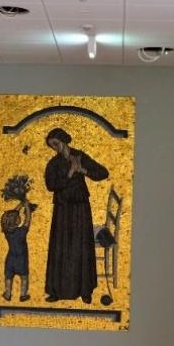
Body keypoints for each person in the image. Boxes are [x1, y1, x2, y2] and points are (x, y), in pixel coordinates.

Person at [44, 128, 108, 304]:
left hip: (80, 208)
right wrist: (70, 173)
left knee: (81, 246)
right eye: (52, 146)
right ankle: (56, 290)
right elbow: (50, 185)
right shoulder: (53, 163)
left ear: (63, 140)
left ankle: (85, 290)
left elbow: (103, 173)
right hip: (63, 210)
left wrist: (83, 170)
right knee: (61, 247)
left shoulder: (80, 156)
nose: (55, 148)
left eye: (56, 143)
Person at [0, 199, 32, 302]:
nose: (19, 217)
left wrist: (20, 204)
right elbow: (27, 220)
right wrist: (27, 207)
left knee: (8, 277)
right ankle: (23, 295)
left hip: (11, 257)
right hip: (21, 258)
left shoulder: (6, 231)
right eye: (18, 217)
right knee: (24, 277)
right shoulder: (21, 231)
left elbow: (10, 215)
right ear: (17, 221)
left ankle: (7, 293)